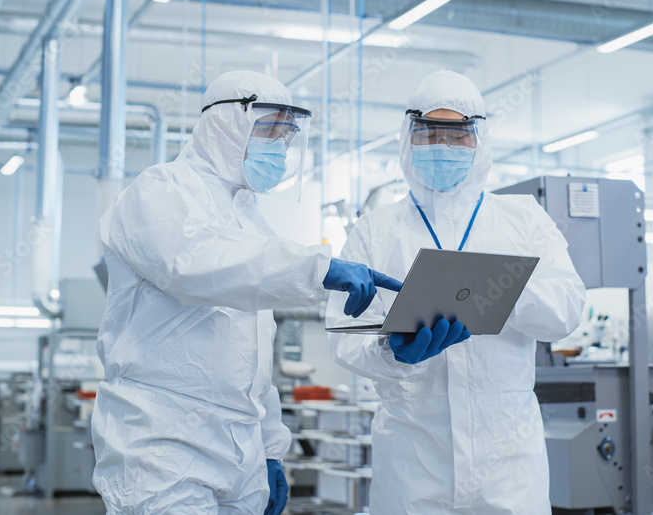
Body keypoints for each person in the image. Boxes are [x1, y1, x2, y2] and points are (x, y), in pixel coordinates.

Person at [91, 70, 401, 515]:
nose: (279, 147)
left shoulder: (250, 221)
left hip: (242, 451)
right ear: (224, 123)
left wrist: (271, 446)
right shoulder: (159, 189)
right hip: (162, 443)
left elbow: (251, 357)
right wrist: (319, 265)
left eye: (287, 136)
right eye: (269, 129)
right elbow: (191, 262)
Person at [326, 69, 587, 514]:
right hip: (414, 460)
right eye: (430, 133)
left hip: (508, 463)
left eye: (457, 135)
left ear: (479, 140)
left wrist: (497, 292)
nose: (443, 147)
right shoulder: (376, 229)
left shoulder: (522, 220)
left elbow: (568, 308)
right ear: (409, 137)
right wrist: (393, 354)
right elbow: (341, 336)